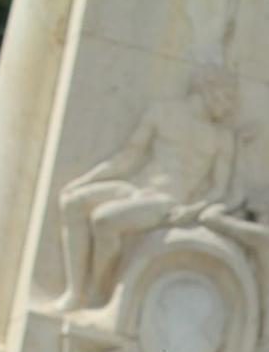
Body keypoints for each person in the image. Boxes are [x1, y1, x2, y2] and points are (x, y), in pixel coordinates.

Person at [54, 65, 239, 312]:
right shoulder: (162, 112)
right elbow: (127, 158)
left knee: (104, 220)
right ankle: (75, 292)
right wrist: (84, 181)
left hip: (168, 201)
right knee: (73, 202)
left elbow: (219, 191)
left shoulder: (221, 137)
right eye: (226, 97)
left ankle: (98, 291)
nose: (229, 107)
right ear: (208, 89)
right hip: (137, 188)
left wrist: (193, 210)